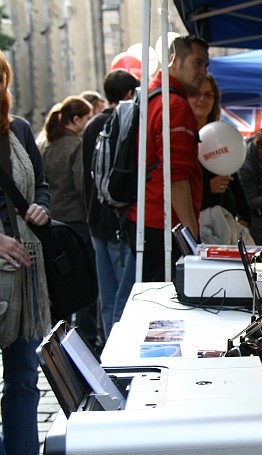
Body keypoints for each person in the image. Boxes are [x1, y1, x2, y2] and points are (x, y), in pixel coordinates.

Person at [0, 49, 52, 455]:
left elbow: (43, 185)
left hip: (27, 272)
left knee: (23, 378)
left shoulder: (17, 129)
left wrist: (41, 207)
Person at [126, 35, 209, 282]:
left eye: (206, 66)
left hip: (144, 218)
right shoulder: (175, 105)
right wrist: (192, 237)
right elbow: (176, 178)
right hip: (164, 225)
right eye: (197, 63)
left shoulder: (151, 93)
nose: (203, 72)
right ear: (174, 60)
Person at [82, 69, 139, 344]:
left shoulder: (91, 125)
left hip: (95, 217)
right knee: (122, 296)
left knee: (107, 294)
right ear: (130, 95)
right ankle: (118, 350)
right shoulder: (124, 123)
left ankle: (107, 349)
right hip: (117, 218)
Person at [40, 96, 99, 346]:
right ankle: (85, 337)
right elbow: (81, 186)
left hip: (50, 223)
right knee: (81, 282)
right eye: (87, 119)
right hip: (75, 223)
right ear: (76, 120)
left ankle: (58, 334)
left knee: (59, 284)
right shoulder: (76, 145)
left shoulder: (45, 145)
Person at [188, 73, 252, 243]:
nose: (202, 99)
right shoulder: (183, 135)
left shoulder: (221, 133)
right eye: (196, 93)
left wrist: (245, 215)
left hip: (225, 225)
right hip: (197, 227)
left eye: (208, 94)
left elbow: (233, 173)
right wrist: (207, 187)